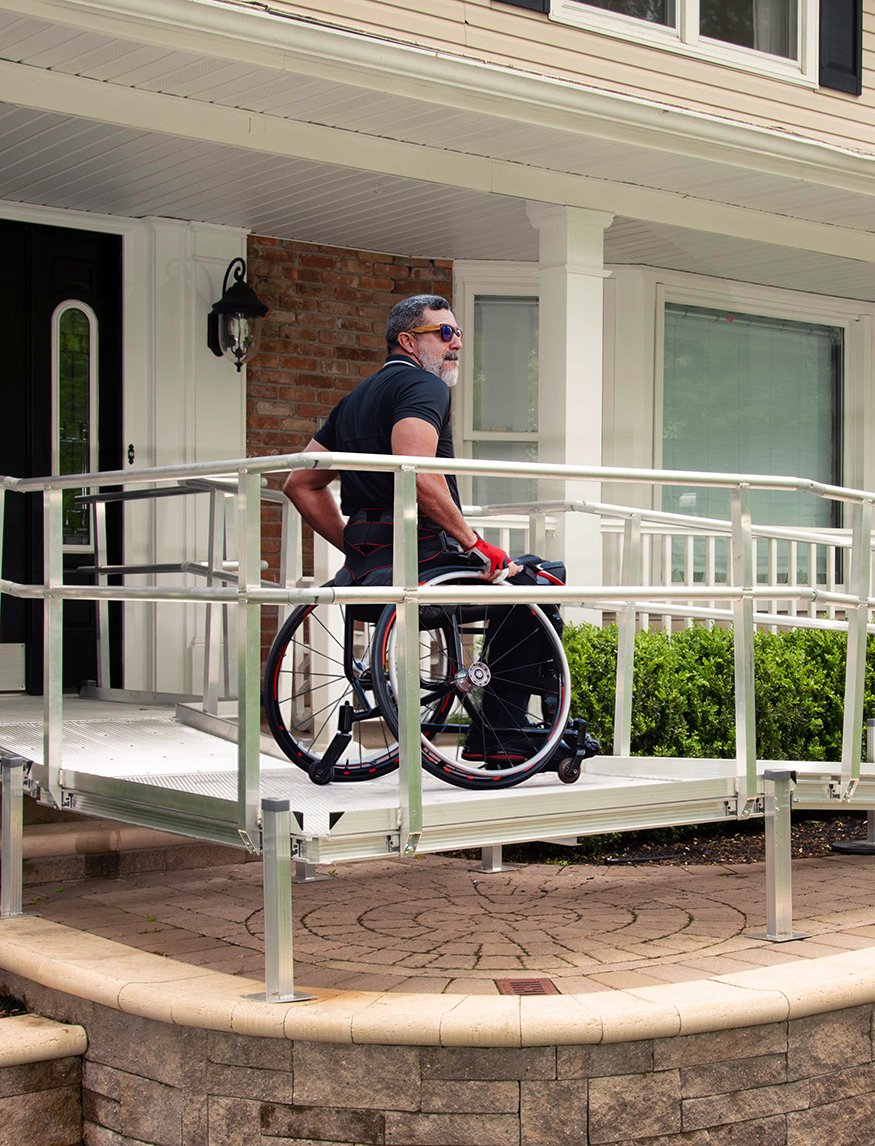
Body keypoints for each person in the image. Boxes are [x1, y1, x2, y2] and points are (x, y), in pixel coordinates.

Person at [284, 293, 558, 765]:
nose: (456, 345)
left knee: (521, 576)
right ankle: (504, 734)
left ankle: (502, 730)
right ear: (409, 340)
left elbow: (300, 483)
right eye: (445, 333)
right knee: (540, 577)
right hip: (423, 564)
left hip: (369, 570)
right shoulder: (425, 389)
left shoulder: (354, 400)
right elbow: (418, 478)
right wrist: (476, 544)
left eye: (459, 334)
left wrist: (356, 547)